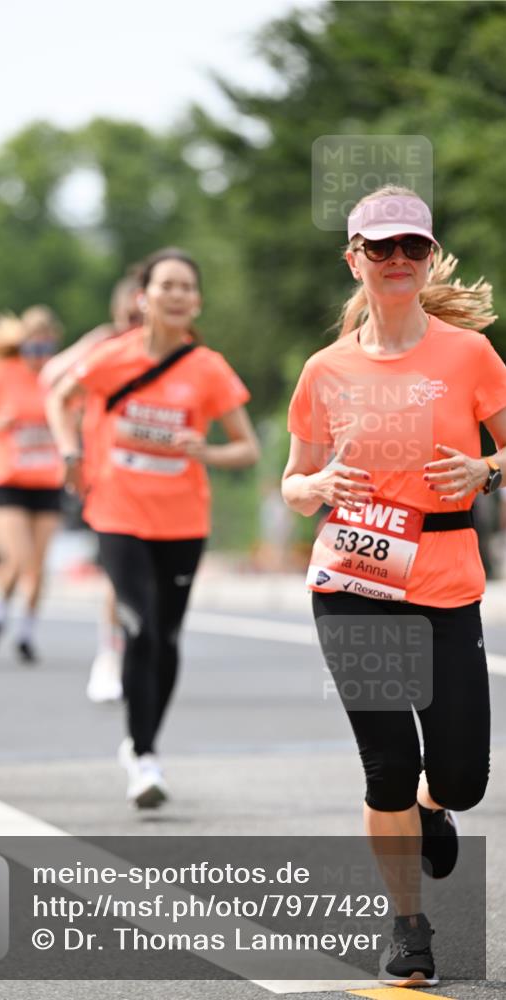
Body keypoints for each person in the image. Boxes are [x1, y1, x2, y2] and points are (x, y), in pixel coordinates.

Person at [281, 186, 506, 987]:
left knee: (460, 776)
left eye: (411, 246)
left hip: (444, 581)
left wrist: (486, 468)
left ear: (427, 254)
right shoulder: (325, 369)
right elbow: (293, 481)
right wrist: (315, 488)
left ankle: (435, 803)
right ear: (355, 260)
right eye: (380, 248)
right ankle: (407, 928)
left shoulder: (467, 356)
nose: (397, 260)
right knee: (385, 767)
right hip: (350, 582)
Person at [46, 248, 260, 808]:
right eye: (166, 284)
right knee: (139, 627)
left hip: (183, 518)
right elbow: (58, 398)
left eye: (187, 287)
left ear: (197, 302)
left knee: (165, 637)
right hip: (116, 510)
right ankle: (143, 758)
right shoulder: (110, 357)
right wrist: (71, 451)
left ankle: (145, 742)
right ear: (143, 297)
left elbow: (247, 448)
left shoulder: (207, 368)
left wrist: (204, 450)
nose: (176, 294)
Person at [40, 273, 142, 703]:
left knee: (152, 581)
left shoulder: (178, 354)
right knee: (118, 576)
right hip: (110, 479)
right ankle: (109, 657)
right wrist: (98, 338)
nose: (138, 323)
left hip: (165, 484)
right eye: (129, 316)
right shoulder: (105, 354)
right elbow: (49, 378)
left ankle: (143, 655)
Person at [0, 308, 63, 663]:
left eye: (46, 345)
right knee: (19, 556)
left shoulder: (58, 374)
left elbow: (78, 412)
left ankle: (25, 630)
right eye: (33, 345)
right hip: (10, 478)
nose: (39, 354)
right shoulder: (1, 373)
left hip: (48, 479)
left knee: (38, 564)